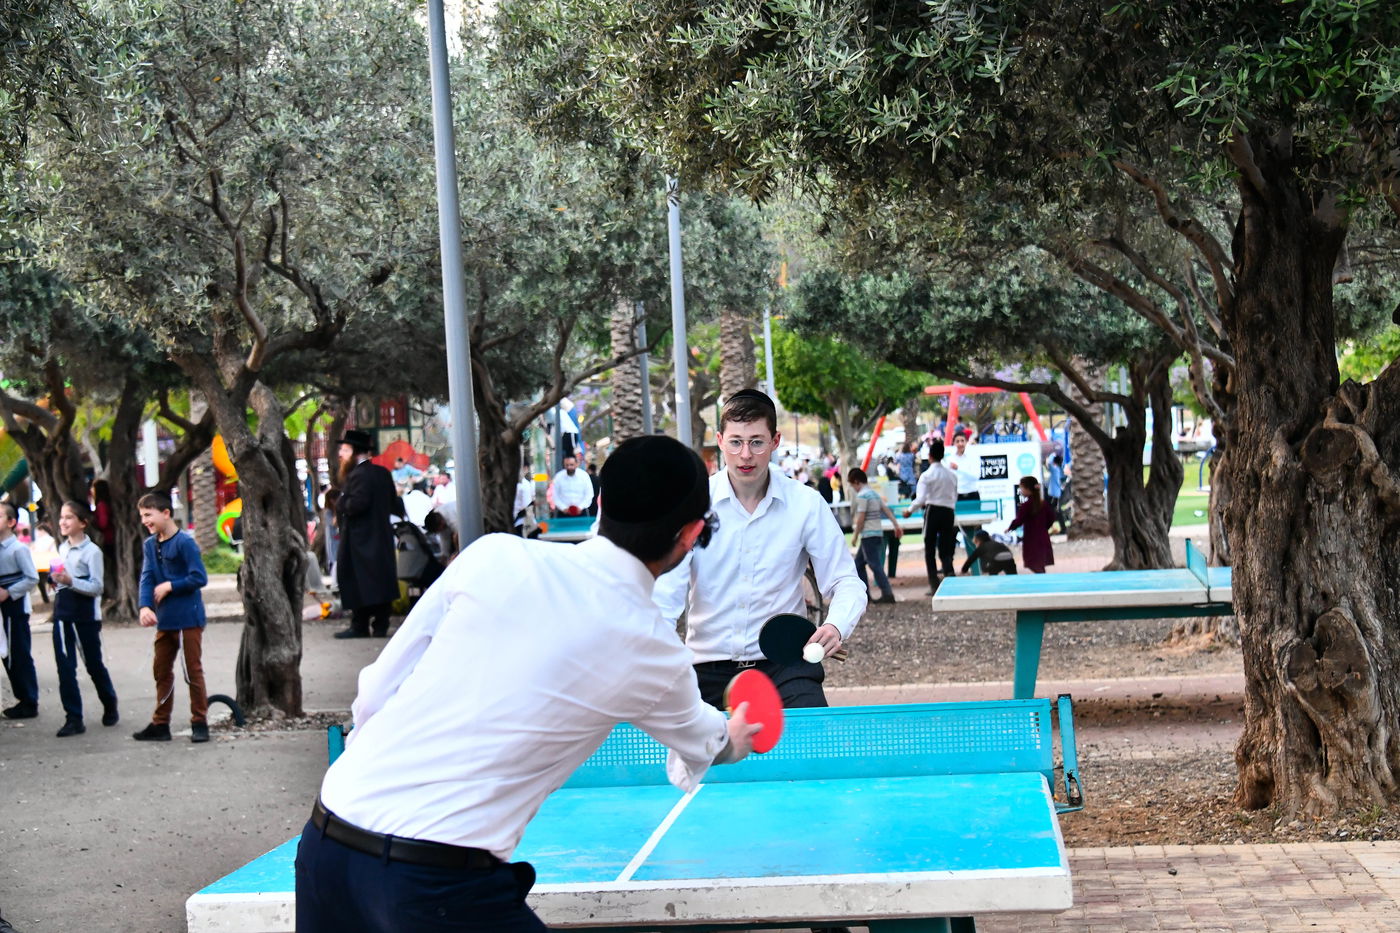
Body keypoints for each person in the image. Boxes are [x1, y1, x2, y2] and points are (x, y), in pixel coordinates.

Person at [294, 435, 762, 933]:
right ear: (690, 534)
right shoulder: (650, 647)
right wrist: (734, 736)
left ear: (600, 502)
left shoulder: (492, 555)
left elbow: (373, 692)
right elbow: (708, 742)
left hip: (327, 842)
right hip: (435, 882)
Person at [655, 389, 867, 710]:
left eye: (756, 442)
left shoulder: (806, 504)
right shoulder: (692, 504)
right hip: (704, 668)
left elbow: (845, 581)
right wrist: (660, 655)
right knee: (691, 754)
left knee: (814, 748)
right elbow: (665, 596)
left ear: (775, 441)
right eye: (736, 442)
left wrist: (836, 624)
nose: (745, 455)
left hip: (786, 665)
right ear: (720, 440)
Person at [132, 492, 211, 743]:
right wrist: (145, 606)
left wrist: (170, 586)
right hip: (165, 619)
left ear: (165, 513)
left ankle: (200, 722)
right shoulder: (149, 545)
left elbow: (199, 577)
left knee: (192, 671)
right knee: (162, 670)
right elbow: (146, 578)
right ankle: (160, 723)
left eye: (148, 514)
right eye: (142, 516)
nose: (145, 520)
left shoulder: (185, 543)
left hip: (189, 617)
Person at [50, 501, 118, 738]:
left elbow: (98, 587)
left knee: (93, 664)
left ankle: (110, 702)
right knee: (65, 668)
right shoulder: (62, 549)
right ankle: (73, 717)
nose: (63, 522)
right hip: (62, 615)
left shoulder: (92, 552)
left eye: (69, 517)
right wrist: (57, 582)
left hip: (85, 617)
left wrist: (71, 582)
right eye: (61, 517)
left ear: (83, 523)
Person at [335, 430, 403, 639]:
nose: (341, 454)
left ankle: (360, 625)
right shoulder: (382, 473)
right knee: (380, 580)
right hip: (381, 536)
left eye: (345, 450)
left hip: (359, 539)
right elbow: (394, 502)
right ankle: (380, 625)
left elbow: (357, 504)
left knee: (358, 581)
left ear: (355, 452)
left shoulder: (358, 475)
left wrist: (341, 502)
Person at [0, 502, 41, 721]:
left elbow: (32, 578)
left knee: (19, 653)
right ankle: (22, 698)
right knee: (6, 653)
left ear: (11, 522)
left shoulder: (18, 549)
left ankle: (29, 700)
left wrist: (9, 592)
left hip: (15, 608)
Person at [904, 438, 957, 593]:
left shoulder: (927, 476)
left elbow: (920, 499)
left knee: (929, 548)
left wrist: (909, 510)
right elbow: (954, 496)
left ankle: (934, 584)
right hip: (948, 511)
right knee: (945, 546)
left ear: (930, 456)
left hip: (933, 510)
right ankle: (950, 575)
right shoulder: (952, 475)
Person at [847, 468, 900, 604]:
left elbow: (861, 518)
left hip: (868, 535)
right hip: (877, 533)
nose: (854, 489)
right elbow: (887, 511)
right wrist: (896, 525)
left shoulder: (863, 496)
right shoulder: (874, 494)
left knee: (874, 565)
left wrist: (855, 535)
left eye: (853, 486)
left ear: (857, 482)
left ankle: (887, 593)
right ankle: (866, 595)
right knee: (858, 564)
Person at [1008, 475, 1056, 574]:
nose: (1021, 490)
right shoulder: (1043, 504)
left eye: (1022, 488)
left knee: (1033, 563)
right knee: (1039, 563)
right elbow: (1051, 518)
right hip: (1042, 537)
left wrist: (1010, 528)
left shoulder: (1026, 506)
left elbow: (1019, 520)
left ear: (1028, 489)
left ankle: (1043, 582)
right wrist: (1044, 528)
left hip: (1031, 539)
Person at [28, 521, 55, 605]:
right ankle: (50, 597)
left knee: (42, 582)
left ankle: (46, 598)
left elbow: (34, 552)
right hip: (46, 565)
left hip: (41, 565)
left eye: (38, 531)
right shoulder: (50, 540)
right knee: (50, 581)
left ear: (42, 530)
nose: (37, 533)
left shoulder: (46, 540)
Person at [1045, 453, 1067, 532]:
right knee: (1055, 511)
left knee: (1054, 511)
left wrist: (1048, 457)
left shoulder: (1055, 469)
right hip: (1056, 494)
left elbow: (1048, 465)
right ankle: (1062, 528)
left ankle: (1062, 528)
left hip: (1054, 494)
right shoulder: (1060, 469)